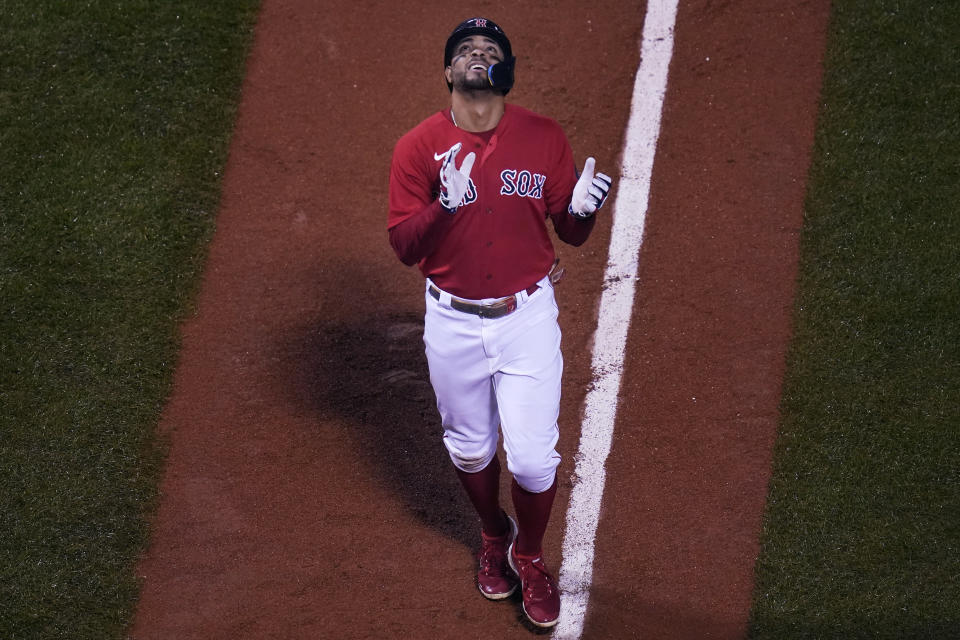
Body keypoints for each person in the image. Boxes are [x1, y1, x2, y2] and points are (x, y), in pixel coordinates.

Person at [386, 17, 612, 629]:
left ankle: (530, 556)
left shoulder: (543, 137)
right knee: (470, 448)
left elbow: (571, 229)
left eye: (491, 50)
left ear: (507, 71)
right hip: (452, 322)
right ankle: (493, 536)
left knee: (535, 461)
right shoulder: (416, 148)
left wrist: (586, 212)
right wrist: (444, 206)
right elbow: (406, 246)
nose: (478, 55)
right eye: (466, 50)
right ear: (447, 72)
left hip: (526, 317)